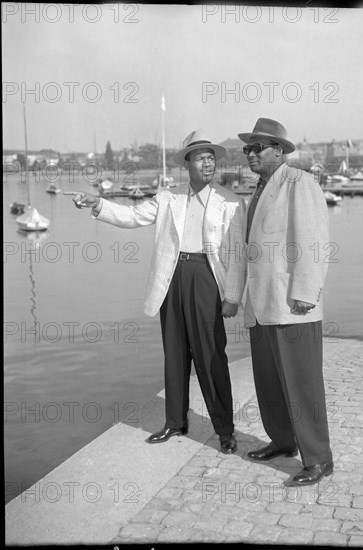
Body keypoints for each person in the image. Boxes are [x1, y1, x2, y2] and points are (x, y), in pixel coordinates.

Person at [69, 129, 246, 454]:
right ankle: (175, 422)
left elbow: (238, 253)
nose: (208, 164)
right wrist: (99, 204)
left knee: (211, 357)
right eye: (201, 158)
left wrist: (233, 295)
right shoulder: (168, 198)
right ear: (187, 163)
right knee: (175, 355)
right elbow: (132, 216)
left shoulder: (231, 202)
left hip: (207, 279)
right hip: (172, 279)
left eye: (211, 158)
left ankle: (225, 429)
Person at [238, 118, 333, 486]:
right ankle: (282, 441)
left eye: (258, 147)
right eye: (247, 148)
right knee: (270, 382)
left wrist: (306, 293)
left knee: (302, 384)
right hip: (262, 304)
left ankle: (319, 459)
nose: (251, 154)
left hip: (292, 304)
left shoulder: (300, 182)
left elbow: (313, 240)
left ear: (278, 150)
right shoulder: (260, 189)